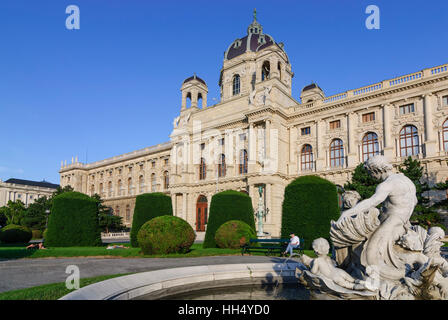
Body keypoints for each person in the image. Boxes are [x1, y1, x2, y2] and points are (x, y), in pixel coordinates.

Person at [302, 238, 375, 291]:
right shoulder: (328, 258)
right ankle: (364, 282)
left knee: (350, 285)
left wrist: (310, 268)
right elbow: (333, 265)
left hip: (333, 277)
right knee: (352, 280)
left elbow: (313, 272)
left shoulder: (317, 260)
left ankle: (365, 286)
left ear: (315, 251)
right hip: (339, 271)